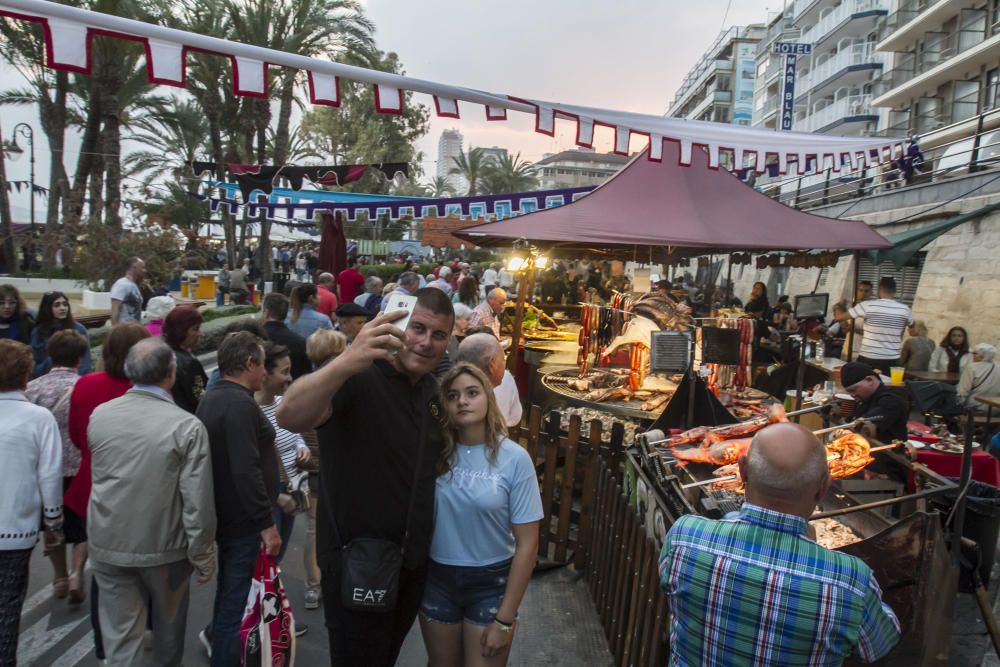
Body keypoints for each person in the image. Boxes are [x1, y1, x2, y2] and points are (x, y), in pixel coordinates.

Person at [277, 288, 455, 666]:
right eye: (418, 328)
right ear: (397, 325)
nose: (425, 342)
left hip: (410, 563)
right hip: (358, 563)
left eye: (438, 334)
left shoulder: (432, 393)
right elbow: (290, 414)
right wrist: (346, 359)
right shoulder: (356, 375)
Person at [659, 422, 900, 665]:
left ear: (742, 472)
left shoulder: (685, 536)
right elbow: (881, 644)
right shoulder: (851, 582)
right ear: (824, 487)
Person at [87, 338, 217, 666]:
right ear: (171, 373)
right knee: (168, 641)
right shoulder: (186, 426)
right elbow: (196, 501)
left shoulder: (101, 415)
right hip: (166, 550)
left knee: (119, 639)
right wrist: (202, 554)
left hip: (108, 542)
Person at [419, 363, 542, 665]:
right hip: (437, 579)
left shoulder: (515, 459)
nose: (462, 401)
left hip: (492, 583)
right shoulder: (434, 454)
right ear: (444, 405)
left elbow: (527, 544)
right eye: (453, 395)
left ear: (488, 397)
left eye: (472, 393)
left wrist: (505, 619)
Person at [197, 331, 281, 664]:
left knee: (229, 597)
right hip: (243, 523)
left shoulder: (214, 395)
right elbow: (246, 470)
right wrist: (266, 523)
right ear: (249, 363)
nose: (265, 373)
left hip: (227, 515)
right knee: (236, 603)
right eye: (263, 365)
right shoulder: (239, 404)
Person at [65, 323, 152, 618]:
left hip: (93, 483)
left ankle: (105, 646)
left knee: (104, 568)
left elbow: (77, 436)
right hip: (140, 487)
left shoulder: (86, 384)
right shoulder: (149, 391)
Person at [0, 339, 63, 665]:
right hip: (16, 531)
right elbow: (50, 476)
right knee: (8, 607)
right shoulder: (38, 418)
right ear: (25, 375)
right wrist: (53, 522)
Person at [26, 330, 89, 603]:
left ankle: (60, 576)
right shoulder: (84, 386)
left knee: (53, 526)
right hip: (78, 469)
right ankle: (77, 572)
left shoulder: (33, 388)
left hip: (45, 471)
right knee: (82, 527)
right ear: (80, 356)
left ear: (50, 355)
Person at [255, 342, 311, 565]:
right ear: (264, 374)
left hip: (290, 487)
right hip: (269, 496)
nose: (290, 378)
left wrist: (302, 447)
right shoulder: (250, 411)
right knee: (265, 561)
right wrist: (276, 497)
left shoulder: (283, 403)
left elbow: (295, 434)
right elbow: (248, 468)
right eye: (284, 372)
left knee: (275, 561)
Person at [838, 277, 912, 371]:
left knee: (862, 382)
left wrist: (837, 306)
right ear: (895, 291)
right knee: (887, 384)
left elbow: (839, 317)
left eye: (866, 291)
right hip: (891, 357)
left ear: (878, 291)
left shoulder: (867, 306)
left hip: (869, 355)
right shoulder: (905, 309)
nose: (863, 293)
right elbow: (912, 327)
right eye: (861, 290)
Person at [456, 332, 523, 429]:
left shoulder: (452, 389)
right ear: (492, 365)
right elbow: (514, 419)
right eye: (503, 358)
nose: (504, 363)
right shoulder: (507, 378)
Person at [840, 361, 909, 442]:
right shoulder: (864, 398)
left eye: (853, 390)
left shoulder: (892, 399)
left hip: (888, 451)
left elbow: (866, 422)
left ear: (869, 380)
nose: (852, 395)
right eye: (849, 392)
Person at [30, 290, 93, 377]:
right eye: (57, 305)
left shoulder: (79, 329)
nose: (63, 308)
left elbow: (85, 362)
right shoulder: (38, 332)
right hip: (46, 380)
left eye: (65, 304)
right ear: (47, 308)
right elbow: (35, 362)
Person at [162, 305, 207, 414]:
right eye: (195, 329)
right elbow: (200, 399)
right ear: (181, 330)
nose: (199, 334)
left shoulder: (160, 352)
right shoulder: (189, 363)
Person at [259, 293, 309, 379]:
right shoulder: (299, 341)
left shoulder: (255, 337)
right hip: (290, 388)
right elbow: (305, 375)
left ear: (266, 313)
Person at [958, 344, 1000, 414]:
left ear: (982, 355)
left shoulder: (972, 367)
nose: (972, 355)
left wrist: (958, 407)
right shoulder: (998, 367)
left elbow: (962, 391)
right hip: (996, 409)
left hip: (975, 408)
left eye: (974, 353)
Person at [110, 257, 146, 325]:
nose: (144, 270)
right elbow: (115, 308)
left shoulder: (133, 285)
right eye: (142, 267)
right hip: (124, 329)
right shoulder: (121, 284)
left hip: (134, 328)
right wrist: (115, 330)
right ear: (134, 267)